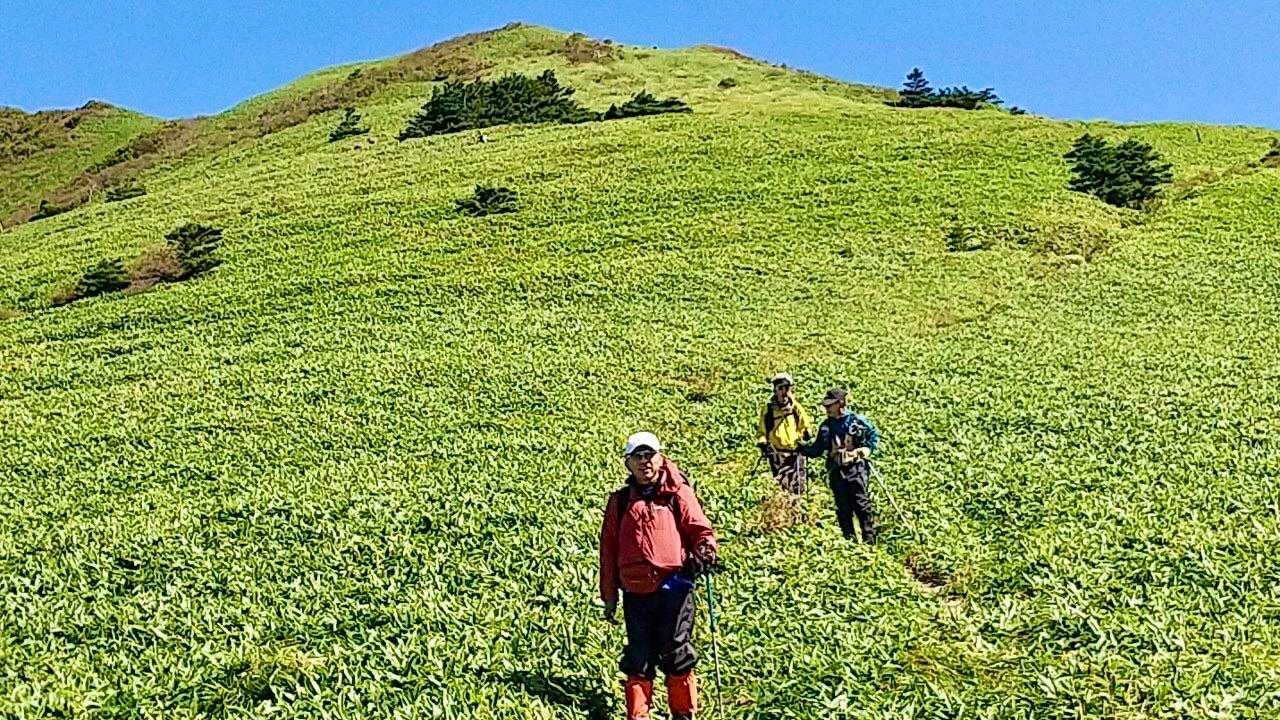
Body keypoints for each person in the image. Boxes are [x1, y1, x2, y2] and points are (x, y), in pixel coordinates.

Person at [600, 431, 718, 720]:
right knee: (639, 657)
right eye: (637, 457)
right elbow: (608, 550)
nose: (645, 462)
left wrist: (705, 551)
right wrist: (609, 596)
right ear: (628, 463)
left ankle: (683, 714)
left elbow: (700, 529)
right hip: (635, 592)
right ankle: (638, 716)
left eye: (649, 455)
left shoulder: (677, 493)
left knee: (677, 652)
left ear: (660, 458)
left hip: (674, 587)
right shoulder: (620, 501)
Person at [797, 388, 880, 543]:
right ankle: (850, 541)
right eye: (826, 405)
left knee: (861, 505)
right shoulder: (826, 427)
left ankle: (870, 540)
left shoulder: (856, 421)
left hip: (856, 468)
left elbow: (873, 436)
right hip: (836, 470)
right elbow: (817, 450)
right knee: (843, 508)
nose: (827, 408)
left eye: (830, 405)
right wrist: (801, 448)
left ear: (840, 403)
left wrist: (866, 449)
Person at [755, 372, 813, 495]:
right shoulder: (769, 410)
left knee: (798, 485)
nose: (784, 392)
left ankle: (796, 504)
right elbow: (762, 431)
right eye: (780, 388)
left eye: (787, 388)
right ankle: (784, 504)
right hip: (777, 454)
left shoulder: (796, 407)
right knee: (782, 485)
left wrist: (807, 433)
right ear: (775, 390)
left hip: (796, 452)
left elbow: (805, 425)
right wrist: (763, 444)